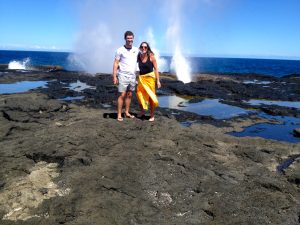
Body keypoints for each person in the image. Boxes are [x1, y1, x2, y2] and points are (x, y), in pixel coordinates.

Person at [112, 31, 139, 121]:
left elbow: (143, 57)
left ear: (133, 38)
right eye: (128, 38)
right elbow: (116, 63)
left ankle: (126, 112)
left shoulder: (136, 50)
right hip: (123, 75)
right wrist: (114, 76)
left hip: (132, 76)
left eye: (131, 38)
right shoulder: (120, 50)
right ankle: (119, 115)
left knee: (129, 95)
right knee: (122, 95)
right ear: (125, 39)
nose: (130, 40)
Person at [136, 41, 161, 122]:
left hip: (150, 79)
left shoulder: (151, 56)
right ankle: (142, 112)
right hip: (141, 78)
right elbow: (131, 63)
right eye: (142, 47)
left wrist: (158, 81)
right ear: (140, 48)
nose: (144, 48)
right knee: (139, 95)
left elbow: (156, 69)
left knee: (151, 97)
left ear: (147, 48)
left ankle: (152, 115)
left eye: (145, 47)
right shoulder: (138, 56)